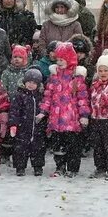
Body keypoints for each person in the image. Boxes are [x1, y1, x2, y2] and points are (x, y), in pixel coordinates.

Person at [39, 42, 90, 178]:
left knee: (73, 146)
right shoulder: (54, 77)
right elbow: (47, 96)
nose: (59, 62)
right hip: (56, 120)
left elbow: (83, 98)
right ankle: (60, 166)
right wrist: (43, 111)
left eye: (62, 59)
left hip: (72, 121)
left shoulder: (76, 78)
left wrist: (84, 115)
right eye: (58, 59)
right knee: (58, 146)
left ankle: (72, 168)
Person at [8, 69, 46, 177]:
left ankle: (38, 167)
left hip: (37, 128)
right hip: (22, 128)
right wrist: (13, 124)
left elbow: (45, 110)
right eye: (29, 82)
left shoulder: (40, 96)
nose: (31, 85)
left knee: (38, 148)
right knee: (20, 148)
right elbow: (14, 111)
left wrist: (45, 124)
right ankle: (20, 167)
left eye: (34, 83)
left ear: (38, 84)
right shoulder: (19, 95)